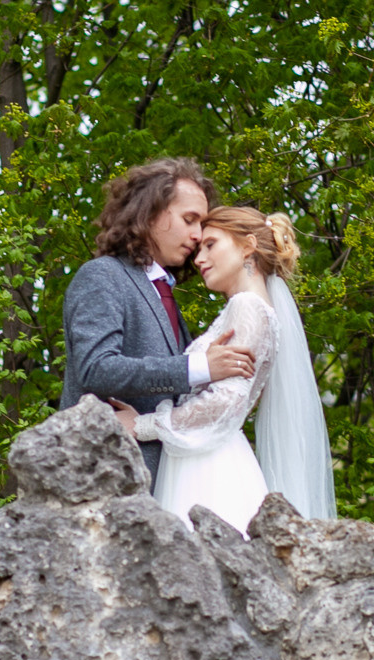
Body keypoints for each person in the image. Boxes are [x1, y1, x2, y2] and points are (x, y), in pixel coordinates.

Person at [108, 206, 336, 533]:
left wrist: (142, 425)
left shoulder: (248, 307)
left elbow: (224, 402)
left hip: (209, 466)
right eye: (199, 248)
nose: (199, 258)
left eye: (211, 245)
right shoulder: (251, 308)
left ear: (247, 246)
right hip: (205, 453)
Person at [60, 159, 257, 483]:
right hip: (98, 481)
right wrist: (199, 367)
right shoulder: (102, 276)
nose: (197, 235)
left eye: (202, 224)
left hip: (157, 489)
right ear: (149, 212)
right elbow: (96, 368)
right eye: (189, 219)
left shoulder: (166, 296)